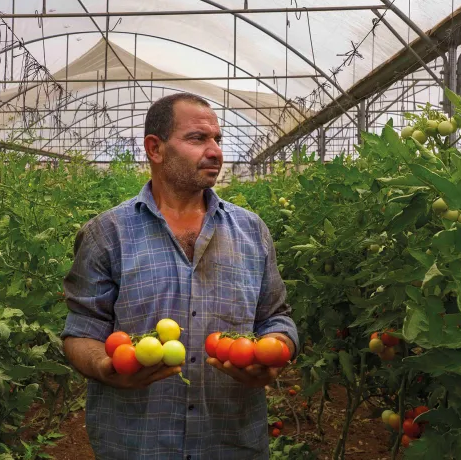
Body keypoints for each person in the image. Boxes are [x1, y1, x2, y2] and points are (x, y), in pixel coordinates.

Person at [61, 92, 299, 459]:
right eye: (198, 138)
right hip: (137, 445)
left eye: (217, 139)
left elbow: (276, 317)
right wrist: (104, 367)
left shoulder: (252, 231)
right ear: (155, 149)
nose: (215, 151)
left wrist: (275, 349)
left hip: (230, 442)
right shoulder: (106, 234)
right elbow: (81, 330)